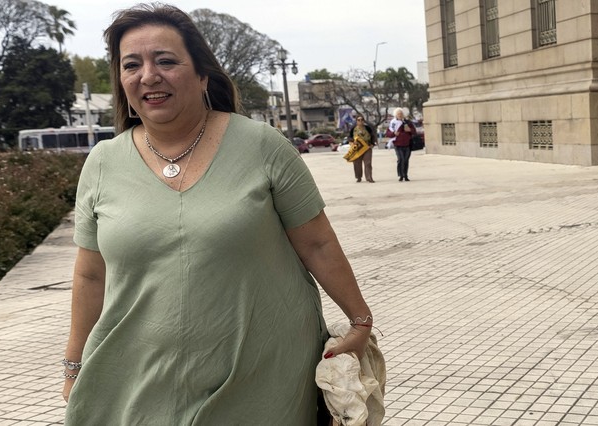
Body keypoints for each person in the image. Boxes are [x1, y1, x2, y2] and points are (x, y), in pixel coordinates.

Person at [61, 4, 374, 424]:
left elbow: (317, 242)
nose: (148, 75)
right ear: (121, 81)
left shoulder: (262, 145)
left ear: (202, 75)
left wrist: (360, 321)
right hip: (138, 376)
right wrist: (73, 365)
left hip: (263, 375)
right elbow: (89, 274)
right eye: (131, 64)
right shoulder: (102, 162)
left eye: (166, 61)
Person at [386, 108, 415, 181]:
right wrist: (394, 133)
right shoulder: (393, 123)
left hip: (407, 144)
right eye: (398, 114)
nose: (400, 115)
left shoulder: (407, 122)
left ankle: (405, 175)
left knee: (406, 160)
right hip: (398, 145)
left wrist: (410, 130)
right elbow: (388, 133)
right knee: (400, 159)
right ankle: (401, 175)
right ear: (396, 115)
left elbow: (414, 131)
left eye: (401, 113)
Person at [345, 114, 377, 183]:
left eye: (362, 120)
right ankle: (358, 177)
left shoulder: (368, 128)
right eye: (358, 120)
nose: (360, 121)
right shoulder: (353, 128)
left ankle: (369, 177)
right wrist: (351, 142)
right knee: (357, 163)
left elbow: (373, 136)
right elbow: (349, 137)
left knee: (368, 163)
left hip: (367, 147)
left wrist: (372, 144)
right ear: (356, 121)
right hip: (357, 148)